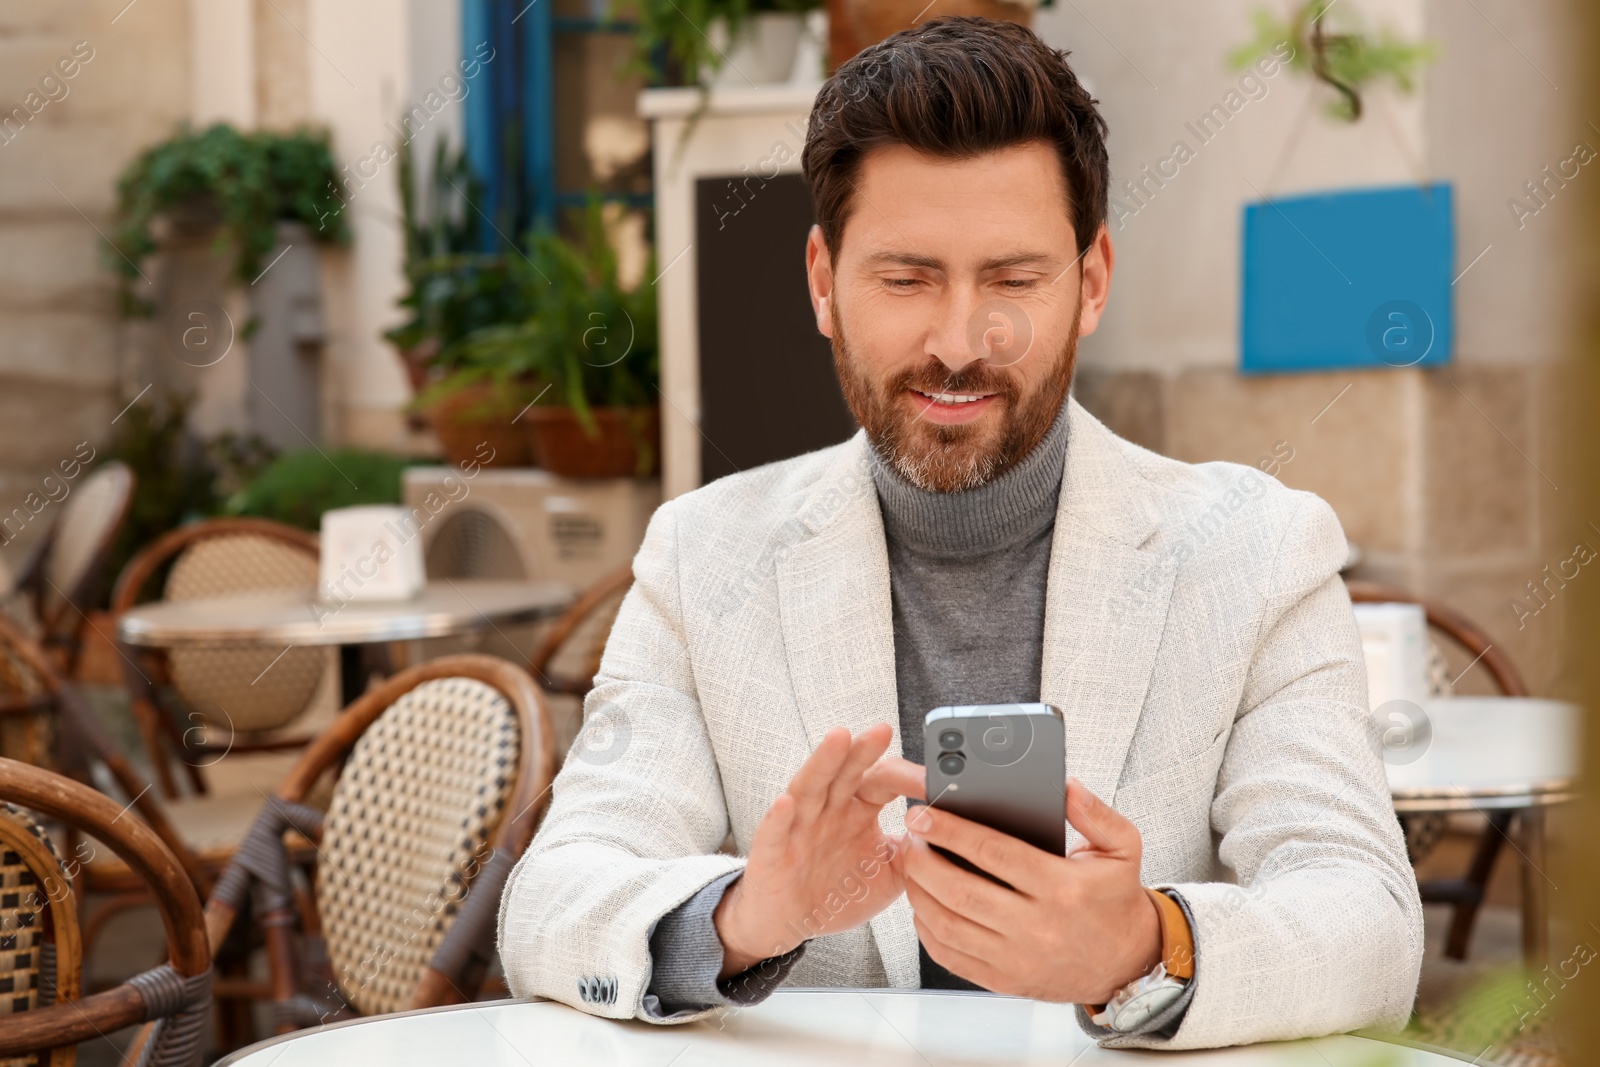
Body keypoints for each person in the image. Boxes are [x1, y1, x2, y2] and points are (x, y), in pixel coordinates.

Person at [498, 16, 1422, 1050]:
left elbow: (1369, 926)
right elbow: (551, 899)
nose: (955, 343)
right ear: (821, 282)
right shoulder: (700, 553)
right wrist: (750, 913)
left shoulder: (1260, 553)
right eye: (905, 279)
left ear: (1092, 281)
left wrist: (1142, 942)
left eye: (1013, 280)